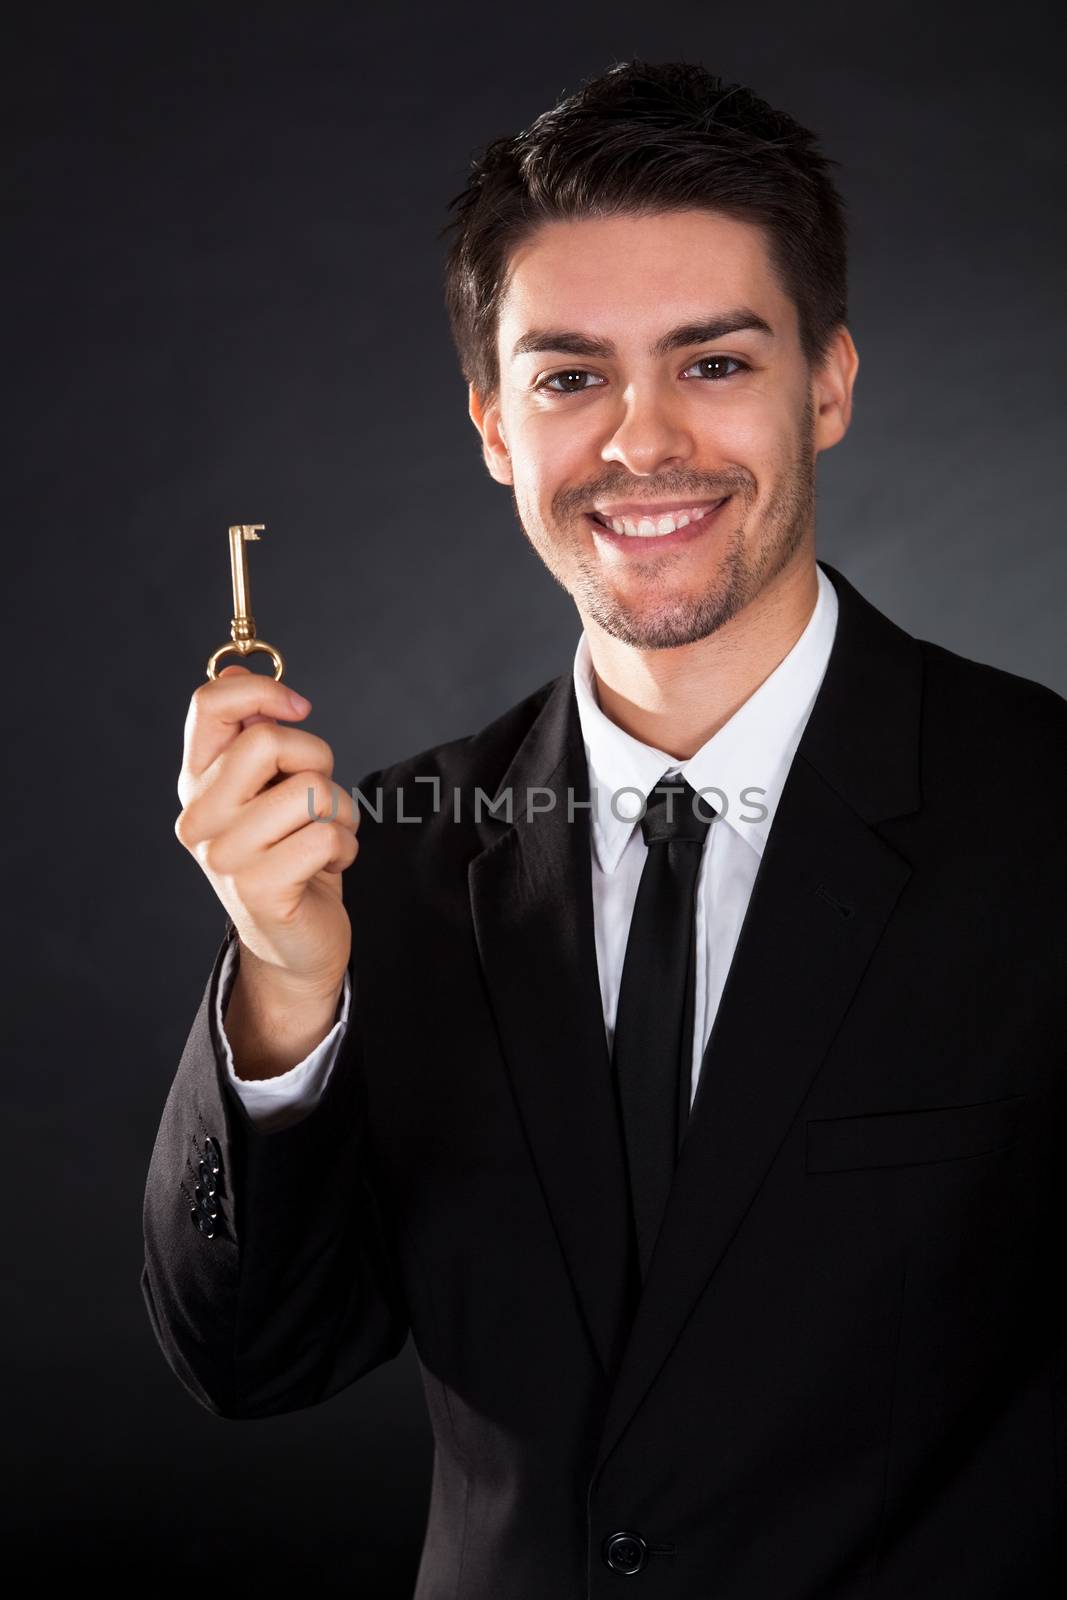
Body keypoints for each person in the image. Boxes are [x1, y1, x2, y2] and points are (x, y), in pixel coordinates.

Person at [141, 59, 1067, 1598]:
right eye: (571, 377)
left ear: (828, 385)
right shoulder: (400, 861)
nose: (640, 442)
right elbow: (253, 1363)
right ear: (496, 425)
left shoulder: (1044, 817)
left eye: (712, 363)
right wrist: (288, 986)